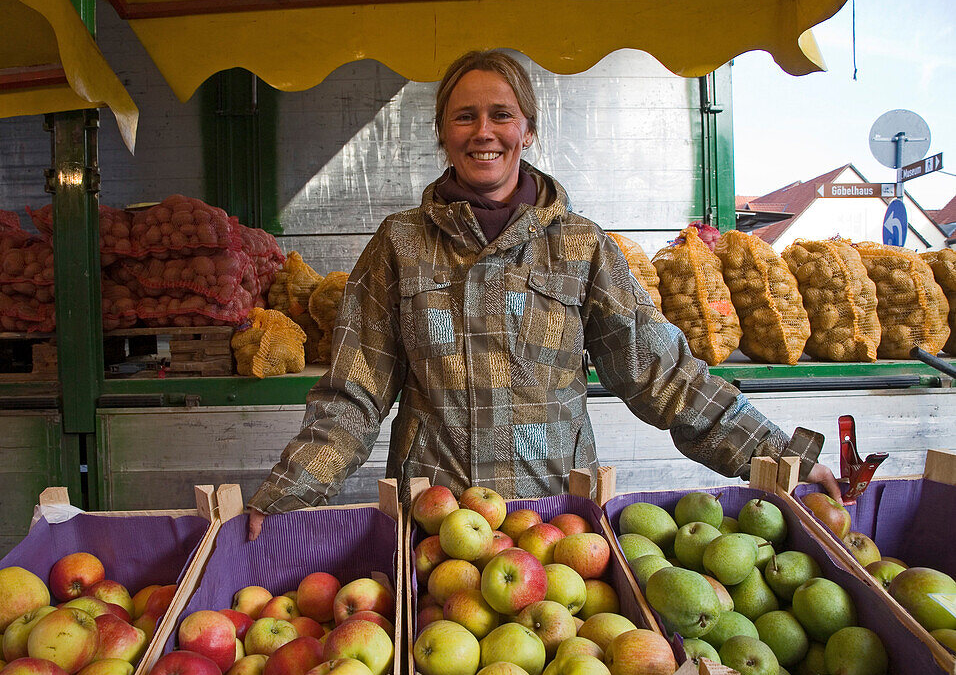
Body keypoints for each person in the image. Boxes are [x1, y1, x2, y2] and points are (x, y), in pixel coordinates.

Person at [246, 49, 840, 540]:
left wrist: (783, 456)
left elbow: (664, 376)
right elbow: (352, 396)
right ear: (441, 133)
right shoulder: (400, 245)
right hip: (437, 525)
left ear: (527, 130)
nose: (484, 132)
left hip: (556, 527)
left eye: (501, 115)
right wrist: (283, 496)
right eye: (464, 116)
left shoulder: (580, 247)